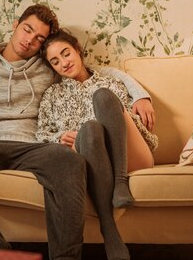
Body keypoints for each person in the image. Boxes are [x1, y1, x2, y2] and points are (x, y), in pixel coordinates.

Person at [0, 4, 152, 260]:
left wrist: (140, 94)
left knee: (69, 161)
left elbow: (94, 72)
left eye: (39, 38)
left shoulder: (47, 67)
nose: (29, 40)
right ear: (15, 25)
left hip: (32, 146)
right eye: (27, 29)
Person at [37, 29, 158, 260]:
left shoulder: (112, 82)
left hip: (130, 157)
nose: (63, 63)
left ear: (78, 51)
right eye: (55, 61)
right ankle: (109, 228)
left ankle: (120, 181)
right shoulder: (52, 95)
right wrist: (60, 137)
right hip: (90, 161)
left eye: (66, 54)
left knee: (102, 97)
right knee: (90, 130)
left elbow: (131, 124)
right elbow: (41, 135)